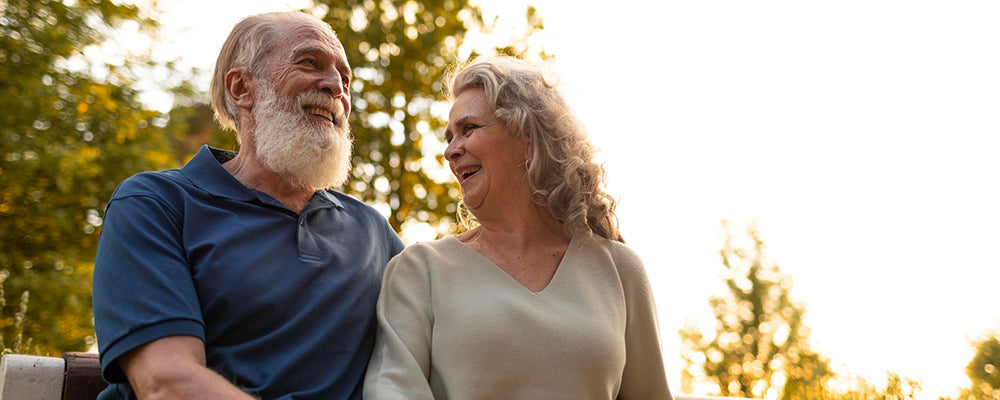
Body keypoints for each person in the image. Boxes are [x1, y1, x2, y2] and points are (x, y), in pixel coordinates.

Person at [92, 12, 404, 400]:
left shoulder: (374, 231)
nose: (335, 87)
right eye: (310, 63)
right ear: (242, 88)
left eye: (345, 78)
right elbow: (167, 384)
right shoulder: (154, 205)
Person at [363, 56, 673, 400]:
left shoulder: (619, 270)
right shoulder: (420, 270)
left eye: (468, 129)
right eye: (448, 138)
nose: (451, 151)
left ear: (528, 133)